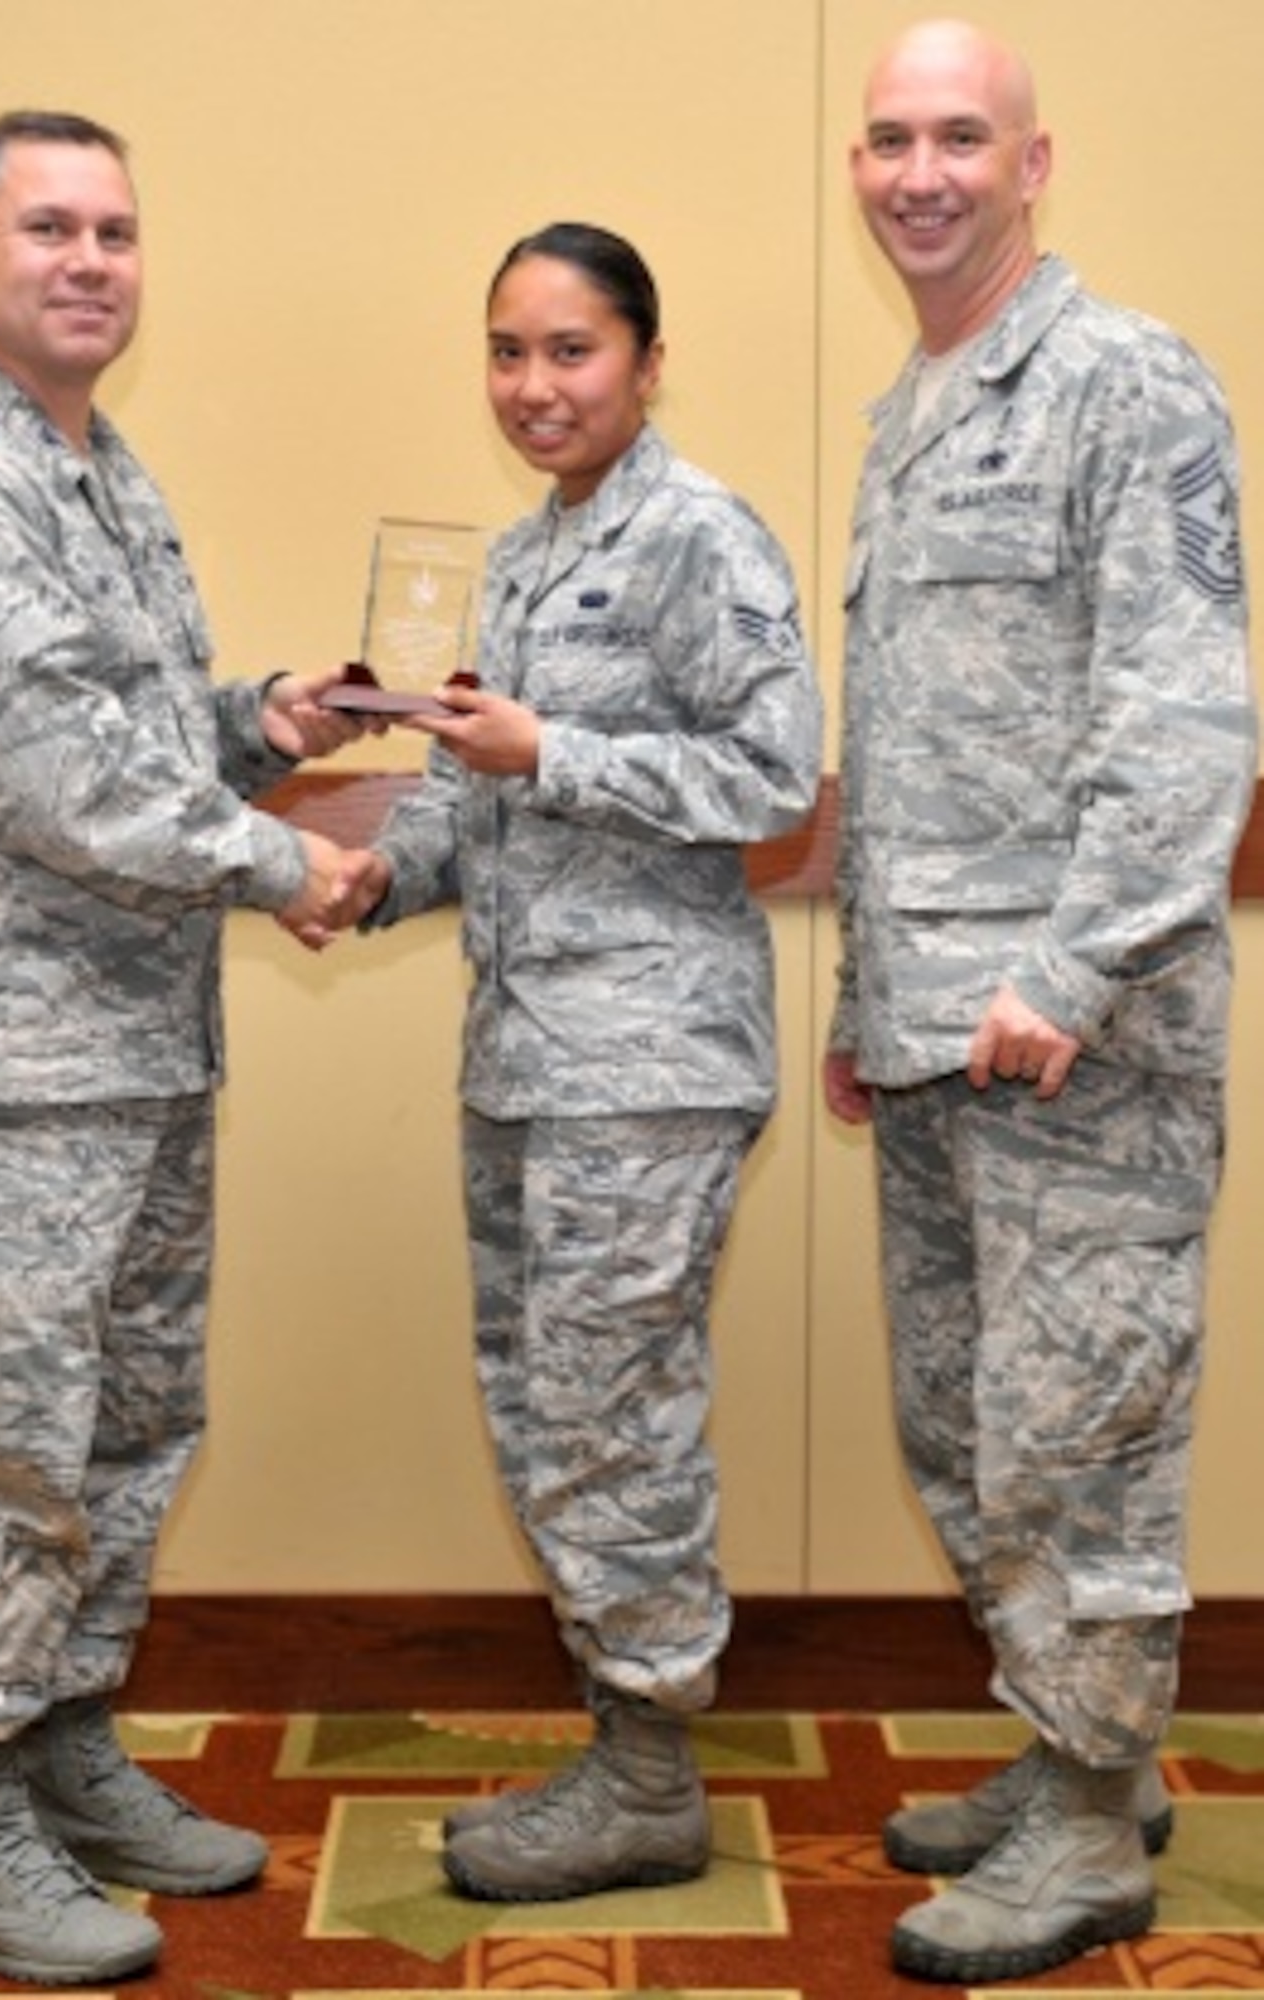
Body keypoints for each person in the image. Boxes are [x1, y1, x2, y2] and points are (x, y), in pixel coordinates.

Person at [0, 110, 365, 1986]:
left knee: (127, 1434)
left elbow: (128, 743)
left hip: (135, 1061)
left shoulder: (101, 475)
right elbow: (63, 782)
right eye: (46, 227)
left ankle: (64, 1751)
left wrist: (257, 722)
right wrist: (287, 856)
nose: (86, 260)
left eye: (116, 232)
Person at [824, 19, 1258, 1985]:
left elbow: (1184, 717)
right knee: (963, 1418)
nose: (920, 172)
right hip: (930, 1030)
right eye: (889, 138)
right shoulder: (909, 412)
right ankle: (1069, 1735)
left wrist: (1076, 966)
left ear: (1034, 161)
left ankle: (1092, 1809)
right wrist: (861, 994)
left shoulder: (1121, 378)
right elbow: (904, 749)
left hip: (1081, 1027)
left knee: (1073, 1424)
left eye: (959, 140)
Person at [316, 222, 822, 1902]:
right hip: (527, 1052)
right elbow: (488, 794)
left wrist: (560, 748)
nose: (534, 385)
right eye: (507, 352)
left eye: (572, 350)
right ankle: (623, 1737)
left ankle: (651, 1771)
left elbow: (773, 776)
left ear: (647, 361)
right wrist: (381, 870)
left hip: (646, 1055)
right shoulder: (528, 557)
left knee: (612, 1417)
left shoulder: (696, 534)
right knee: (549, 1408)